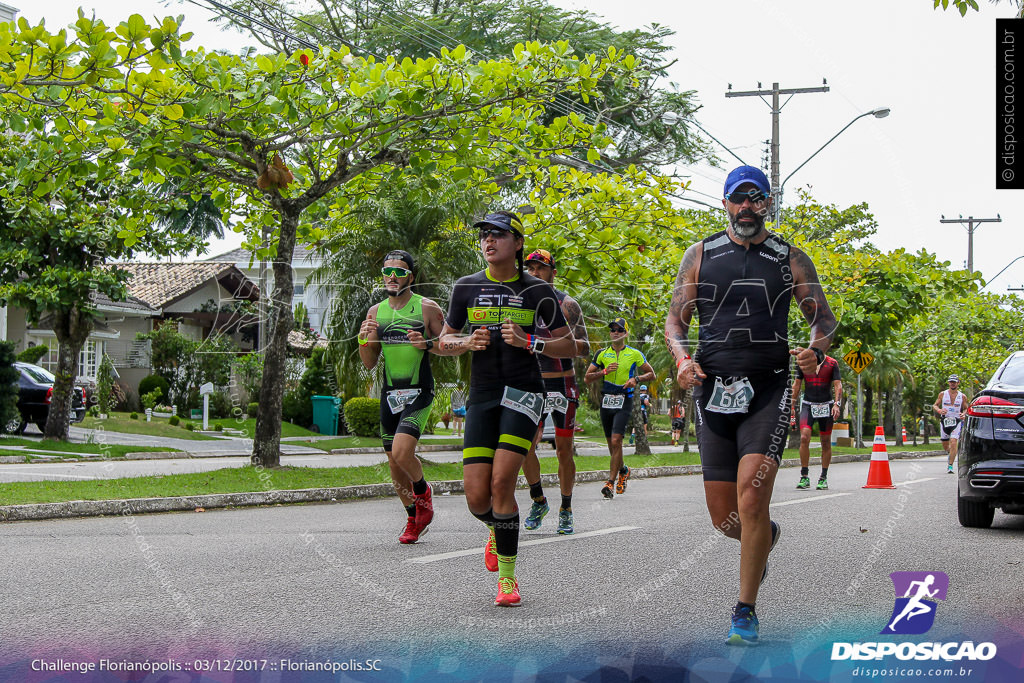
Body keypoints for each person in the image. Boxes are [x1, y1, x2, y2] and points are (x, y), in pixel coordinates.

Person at [664, 164, 838, 645]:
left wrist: (815, 349)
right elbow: (675, 323)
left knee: (752, 496)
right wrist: (681, 360)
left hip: (769, 389)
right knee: (726, 519)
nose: (746, 208)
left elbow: (823, 319)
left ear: (767, 203)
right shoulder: (699, 255)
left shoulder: (791, 259)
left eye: (755, 199)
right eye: (737, 199)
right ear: (724, 204)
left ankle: (745, 610)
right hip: (712, 389)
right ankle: (763, 538)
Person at [436, 211, 576, 607]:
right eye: (484, 234)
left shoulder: (538, 292)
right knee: (476, 498)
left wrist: (531, 341)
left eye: (498, 234)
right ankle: (499, 529)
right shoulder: (466, 287)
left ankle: (508, 580)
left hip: (525, 393)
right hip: (482, 395)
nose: (488, 240)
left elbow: (570, 346)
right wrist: (465, 343)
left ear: (517, 243)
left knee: (501, 483)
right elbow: (443, 342)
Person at [357, 250, 445, 544]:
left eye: (399, 271)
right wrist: (362, 339)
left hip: (420, 392)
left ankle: (423, 492)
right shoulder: (375, 312)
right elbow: (369, 362)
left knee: (402, 452)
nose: (392, 277)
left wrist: (427, 343)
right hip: (389, 394)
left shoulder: (427, 308)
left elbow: (448, 345)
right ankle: (412, 518)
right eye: (387, 271)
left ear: (411, 276)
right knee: (394, 464)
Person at [520, 249, 590, 535]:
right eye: (530, 268)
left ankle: (566, 508)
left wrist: (556, 342)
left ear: (553, 272)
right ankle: (538, 499)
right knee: (524, 445)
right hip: (530, 382)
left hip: (562, 383)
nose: (534, 272)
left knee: (563, 451)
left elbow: (585, 348)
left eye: (540, 268)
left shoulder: (567, 304)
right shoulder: (519, 302)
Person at [584, 318, 655, 499]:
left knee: (617, 441)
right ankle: (623, 470)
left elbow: (651, 373)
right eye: (613, 329)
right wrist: (604, 372)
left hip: (625, 399)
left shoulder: (634, 354)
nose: (615, 332)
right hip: (606, 401)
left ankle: (610, 482)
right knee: (611, 444)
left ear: (626, 333)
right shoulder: (602, 354)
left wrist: (636, 380)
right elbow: (587, 377)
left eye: (619, 330)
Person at [790, 354, 842, 490]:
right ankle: (804, 476)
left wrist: (837, 404)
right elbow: (796, 384)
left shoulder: (832, 363)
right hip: (808, 405)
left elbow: (838, 385)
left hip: (827, 405)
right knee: (804, 437)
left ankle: (823, 477)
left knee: (825, 441)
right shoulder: (803, 362)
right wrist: (791, 405)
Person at [933, 374, 967, 474]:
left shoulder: (962, 396)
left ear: (958, 383)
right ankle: (951, 453)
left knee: (953, 441)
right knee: (945, 445)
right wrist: (939, 410)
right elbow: (935, 405)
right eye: (951, 382)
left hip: (956, 421)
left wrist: (963, 414)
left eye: (954, 382)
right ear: (948, 383)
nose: (952, 384)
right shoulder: (942, 394)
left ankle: (950, 465)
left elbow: (966, 408)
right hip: (945, 421)